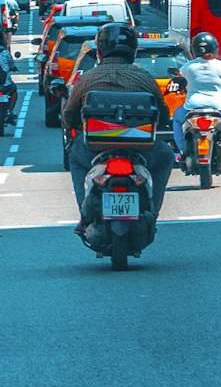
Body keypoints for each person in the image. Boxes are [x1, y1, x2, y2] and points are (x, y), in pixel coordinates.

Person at [61, 21, 174, 233]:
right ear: (132, 50)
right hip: (142, 149)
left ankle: (84, 217)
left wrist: (72, 126)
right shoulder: (144, 77)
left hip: (94, 149)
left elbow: (68, 115)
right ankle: (153, 212)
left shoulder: (86, 79)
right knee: (167, 155)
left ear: (100, 51)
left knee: (74, 157)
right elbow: (164, 113)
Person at [171, 32, 221, 160]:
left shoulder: (188, 67)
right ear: (215, 49)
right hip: (219, 107)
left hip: (192, 107)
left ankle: (182, 151)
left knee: (177, 119)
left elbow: (179, 81)